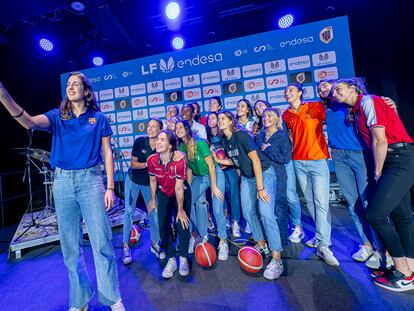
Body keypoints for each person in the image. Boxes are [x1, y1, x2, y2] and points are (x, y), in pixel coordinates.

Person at [0, 73, 125, 310]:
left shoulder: (98, 118)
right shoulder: (57, 116)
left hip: (91, 181)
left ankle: (112, 298)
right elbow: (29, 122)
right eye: (68, 84)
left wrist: (110, 187)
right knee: (70, 246)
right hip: (63, 183)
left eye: (75, 84)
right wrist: (3, 96)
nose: (70, 87)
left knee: (102, 242)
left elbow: (107, 153)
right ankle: (79, 300)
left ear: (86, 91)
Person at [332, 78, 414, 292]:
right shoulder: (358, 109)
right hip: (394, 160)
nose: (335, 94)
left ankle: (403, 271)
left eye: (338, 89)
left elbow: (380, 140)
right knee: (402, 217)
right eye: (333, 92)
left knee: (375, 215)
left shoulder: (369, 101)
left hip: (399, 158)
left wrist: (377, 172)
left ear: (353, 87)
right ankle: (408, 269)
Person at [318, 79, 394, 267]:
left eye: (328, 85)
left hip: (360, 154)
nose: (325, 89)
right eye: (320, 88)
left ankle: (384, 249)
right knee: (353, 203)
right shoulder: (323, 109)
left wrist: (389, 102)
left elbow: (377, 108)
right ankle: (367, 244)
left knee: (368, 201)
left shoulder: (353, 103)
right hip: (338, 156)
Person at [213, 110, 284, 280]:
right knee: (248, 212)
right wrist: (219, 161)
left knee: (266, 213)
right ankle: (261, 244)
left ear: (231, 121)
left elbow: (255, 160)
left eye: (223, 118)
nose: (219, 121)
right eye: (218, 119)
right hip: (246, 177)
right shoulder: (225, 141)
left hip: (264, 174)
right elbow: (236, 160)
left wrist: (260, 188)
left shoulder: (242, 136)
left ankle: (277, 260)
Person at [283, 83, 339, 266]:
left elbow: (334, 109)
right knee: (310, 202)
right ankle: (320, 235)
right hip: (298, 162)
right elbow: (291, 137)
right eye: (286, 92)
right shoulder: (286, 114)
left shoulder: (315, 106)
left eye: (291, 90)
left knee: (321, 203)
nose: (287, 93)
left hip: (318, 161)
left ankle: (324, 244)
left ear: (300, 92)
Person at [175, 120, 229, 260]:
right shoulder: (181, 146)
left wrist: (214, 187)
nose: (178, 129)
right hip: (200, 177)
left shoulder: (199, 142)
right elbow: (188, 168)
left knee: (217, 209)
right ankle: (199, 234)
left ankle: (223, 241)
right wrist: (189, 186)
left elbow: (211, 166)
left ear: (187, 129)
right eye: (176, 128)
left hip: (214, 175)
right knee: (187, 203)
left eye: (181, 126)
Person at [147, 130, 192, 279]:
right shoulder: (152, 160)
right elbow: (153, 181)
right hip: (164, 193)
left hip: (181, 193)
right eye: (157, 139)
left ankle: (184, 258)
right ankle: (171, 259)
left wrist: (180, 210)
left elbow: (179, 188)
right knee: (162, 225)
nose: (157, 142)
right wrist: (153, 200)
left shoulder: (179, 161)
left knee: (182, 223)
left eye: (162, 139)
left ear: (171, 145)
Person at [122, 118, 165, 265]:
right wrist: (148, 164)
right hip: (133, 180)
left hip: (149, 185)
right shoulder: (140, 141)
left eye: (154, 126)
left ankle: (155, 244)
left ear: (160, 129)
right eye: (149, 126)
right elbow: (133, 164)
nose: (150, 129)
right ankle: (126, 247)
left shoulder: (161, 147)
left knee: (154, 214)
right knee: (129, 213)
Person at [254, 107, 293, 246]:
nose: (266, 118)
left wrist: (268, 149)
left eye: (270, 115)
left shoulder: (282, 136)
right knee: (263, 209)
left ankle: (281, 240)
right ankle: (266, 239)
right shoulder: (258, 136)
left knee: (279, 208)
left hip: (278, 175)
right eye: (264, 116)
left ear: (277, 119)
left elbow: (285, 158)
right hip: (262, 175)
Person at [206, 111, 241, 238]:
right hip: (217, 170)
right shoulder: (206, 137)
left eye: (214, 118)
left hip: (230, 168)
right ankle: (225, 218)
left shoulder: (225, 134)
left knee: (234, 195)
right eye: (209, 118)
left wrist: (238, 167)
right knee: (221, 195)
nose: (211, 120)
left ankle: (236, 222)